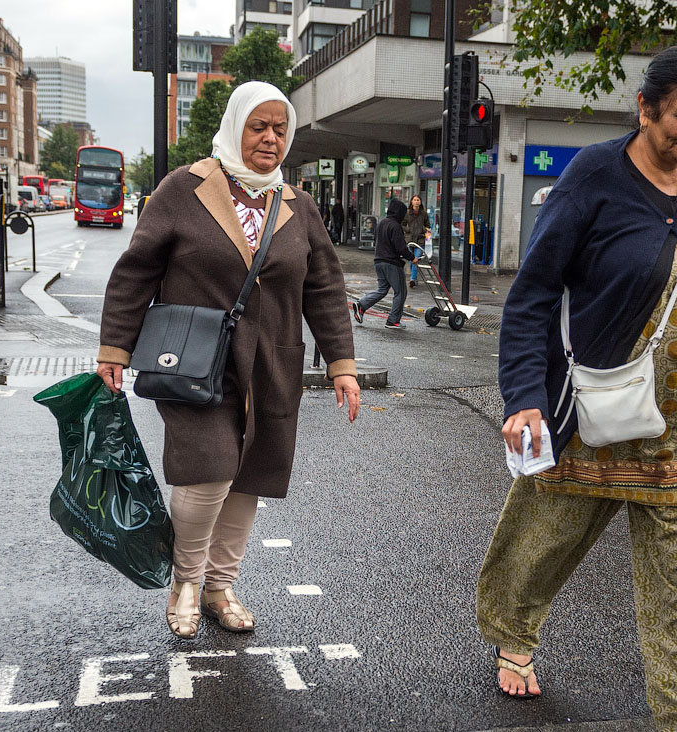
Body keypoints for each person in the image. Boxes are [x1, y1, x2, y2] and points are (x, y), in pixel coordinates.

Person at [477, 46, 677, 729]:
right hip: (594, 401)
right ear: (647, 107)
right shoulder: (593, 175)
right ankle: (514, 632)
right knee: (541, 542)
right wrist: (524, 397)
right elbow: (534, 292)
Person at [95, 81, 360, 639]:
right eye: (258, 126)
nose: (270, 138)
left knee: (249, 474)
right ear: (236, 126)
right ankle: (187, 581)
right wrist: (115, 348)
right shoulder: (184, 188)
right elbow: (135, 270)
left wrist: (342, 364)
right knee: (209, 467)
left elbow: (326, 290)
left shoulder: (296, 204)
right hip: (195, 360)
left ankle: (221, 586)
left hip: (271, 363)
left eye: (280, 129)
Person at [352, 198, 418, 329]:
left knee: (382, 289)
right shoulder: (395, 226)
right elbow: (401, 247)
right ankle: (393, 321)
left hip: (378, 261)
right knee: (400, 292)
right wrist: (412, 258)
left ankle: (362, 305)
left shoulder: (382, 223)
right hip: (391, 263)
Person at [402, 194, 431, 288]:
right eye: (414, 200)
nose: (416, 201)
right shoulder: (407, 213)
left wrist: (424, 230)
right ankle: (414, 278)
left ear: (420, 202)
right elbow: (402, 224)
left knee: (415, 259)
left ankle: (413, 279)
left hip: (420, 240)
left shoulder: (424, 214)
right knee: (411, 260)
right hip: (410, 240)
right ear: (411, 201)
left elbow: (428, 226)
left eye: (418, 200)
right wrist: (407, 230)